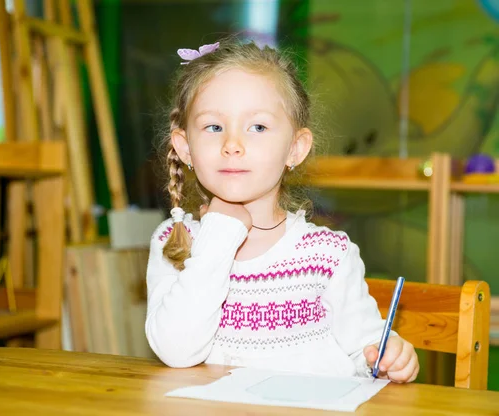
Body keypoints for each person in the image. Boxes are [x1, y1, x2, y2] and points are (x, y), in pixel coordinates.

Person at [145, 39, 419, 383]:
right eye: (214, 127)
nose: (232, 145)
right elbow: (175, 350)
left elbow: (364, 345)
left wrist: (389, 352)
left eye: (257, 127)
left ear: (295, 148)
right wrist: (219, 235)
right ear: (185, 147)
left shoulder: (327, 253)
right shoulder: (174, 242)